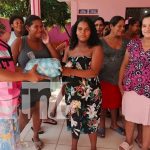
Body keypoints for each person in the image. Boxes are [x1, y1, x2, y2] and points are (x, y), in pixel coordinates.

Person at [12, 15, 60, 149]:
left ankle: (36, 136)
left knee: (39, 111)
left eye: (42, 26)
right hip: (27, 84)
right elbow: (10, 66)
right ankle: (13, 141)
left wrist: (48, 43)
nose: (40, 29)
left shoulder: (45, 42)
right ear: (28, 28)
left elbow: (57, 61)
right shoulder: (20, 42)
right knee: (25, 114)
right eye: (36, 26)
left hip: (44, 84)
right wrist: (27, 72)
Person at [0, 23, 45, 150]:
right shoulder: (16, 43)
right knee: (5, 142)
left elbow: (10, 68)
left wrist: (28, 72)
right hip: (2, 108)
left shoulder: (4, 47)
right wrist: (27, 77)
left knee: (12, 140)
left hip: (9, 104)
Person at [62, 17, 103, 150]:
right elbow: (63, 69)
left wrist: (70, 71)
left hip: (92, 93)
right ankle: (73, 148)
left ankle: (93, 147)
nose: (83, 32)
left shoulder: (96, 48)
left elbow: (93, 72)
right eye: (80, 29)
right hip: (73, 93)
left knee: (92, 122)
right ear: (75, 31)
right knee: (75, 121)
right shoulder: (69, 49)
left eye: (87, 29)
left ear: (91, 32)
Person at [118, 13, 150, 150]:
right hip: (131, 86)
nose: (147, 28)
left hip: (148, 89)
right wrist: (120, 83)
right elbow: (124, 64)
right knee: (129, 116)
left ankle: (146, 146)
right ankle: (128, 141)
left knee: (147, 119)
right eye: (144, 26)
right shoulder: (133, 43)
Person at [97, 16, 128, 138]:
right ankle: (101, 125)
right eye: (119, 26)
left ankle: (114, 124)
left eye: (123, 26)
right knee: (103, 104)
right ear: (111, 26)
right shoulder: (101, 41)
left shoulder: (125, 42)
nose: (122, 29)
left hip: (118, 78)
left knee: (115, 103)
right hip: (103, 77)